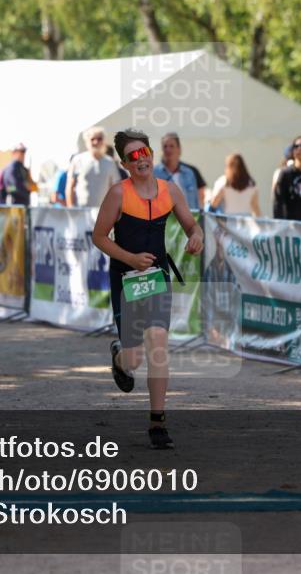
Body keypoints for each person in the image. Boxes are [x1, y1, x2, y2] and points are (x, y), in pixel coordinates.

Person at [91, 129, 203, 450]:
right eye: (133, 156)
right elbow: (99, 237)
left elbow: (191, 225)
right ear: (125, 164)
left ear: (152, 154)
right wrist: (130, 258)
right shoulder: (117, 194)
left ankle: (158, 422)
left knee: (158, 342)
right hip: (126, 280)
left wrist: (196, 237)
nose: (141, 160)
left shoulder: (170, 190)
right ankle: (120, 357)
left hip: (157, 278)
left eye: (145, 153)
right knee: (134, 361)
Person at [66, 127, 122, 208]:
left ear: (104, 141)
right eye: (92, 139)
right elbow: (70, 185)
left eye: (99, 139)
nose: (96, 142)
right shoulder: (78, 160)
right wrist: (70, 208)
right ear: (87, 142)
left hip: (103, 213)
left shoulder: (110, 162)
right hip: (81, 212)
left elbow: (116, 188)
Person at [153, 132, 206, 210]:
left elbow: (198, 199)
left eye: (171, 146)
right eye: (165, 146)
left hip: (189, 219)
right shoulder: (154, 173)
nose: (168, 149)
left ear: (179, 149)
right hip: (165, 220)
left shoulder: (190, 172)